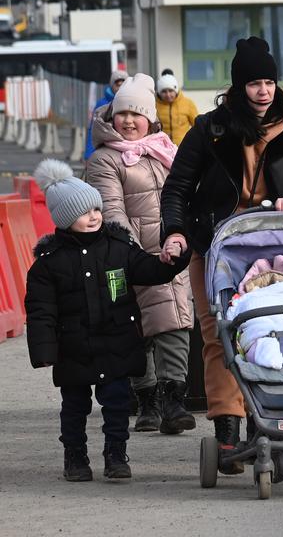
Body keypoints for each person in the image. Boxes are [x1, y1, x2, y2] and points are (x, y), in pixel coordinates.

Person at [160, 36, 283, 473]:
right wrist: (175, 231)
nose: (263, 91)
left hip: (273, 246)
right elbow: (176, 188)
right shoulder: (210, 129)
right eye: (254, 83)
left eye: (269, 81)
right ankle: (227, 433)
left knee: (265, 331)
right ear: (238, 87)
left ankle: (262, 425)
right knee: (219, 336)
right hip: (215, 245)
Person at [25, 159, 190, 482]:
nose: (93, 217)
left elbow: (149, 270)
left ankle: (116, 453)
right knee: (74, 407)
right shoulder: (48, 264)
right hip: (74, 347)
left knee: (116, 404)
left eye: (96, 210)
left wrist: (172, 260)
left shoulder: (119, 246)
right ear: (63, 219)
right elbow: (41, 311)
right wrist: (44, 351)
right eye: (82, 213)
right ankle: (75, 455)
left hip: (117, 342)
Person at [85, 73, 196, 436]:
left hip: (170, 253)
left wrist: (180, 238)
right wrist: (137, 256)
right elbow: (112, 212)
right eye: (122, 114)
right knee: (137, 329)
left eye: (137, 114)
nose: (129, 121)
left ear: (151, 118)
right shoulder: (104, 160)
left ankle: (174, 399)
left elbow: (183, 199)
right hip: (128, 257)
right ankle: (146, 399)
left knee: (175, 321)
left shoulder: (165, 150)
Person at [84, 70, 127, 159]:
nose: (120, 88)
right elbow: (93, 129)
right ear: (112, 86)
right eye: (118, 85)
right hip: (106, 151)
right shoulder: (102, 104)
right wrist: (89, 154)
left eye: (123, 85)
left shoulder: (132, 103)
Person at [156, 70, 199, 145]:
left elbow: (197, 126)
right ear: (159, 93)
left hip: (183, 146)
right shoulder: (153, 105)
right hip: (161, 147)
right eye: (164, 91)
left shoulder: (188, 103)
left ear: (176, 90)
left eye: (170, 91)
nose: (168, 94)